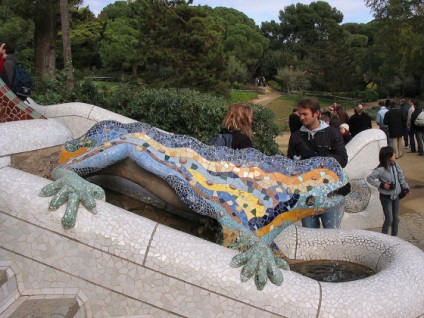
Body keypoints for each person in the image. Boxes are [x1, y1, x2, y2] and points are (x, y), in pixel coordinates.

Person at [287, 98, 348, 229]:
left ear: (316, 113)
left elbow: (343, 159)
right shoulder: (296, 136)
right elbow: (290, 163)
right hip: (306, 195)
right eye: (300, 114)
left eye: (305, 114)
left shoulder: (333, 133)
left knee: (332, 234)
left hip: (330, 192)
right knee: (310, 236)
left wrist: (318, 160)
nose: (302, 117)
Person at [366, 146, 410, 236]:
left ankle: (394, 237)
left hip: (396, 196)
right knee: (389, 219)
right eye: (393, 153)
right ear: (388, 156)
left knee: (395, 219)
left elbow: (400, 176)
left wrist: (405, 188)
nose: (395, 155)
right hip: (386, 197)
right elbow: (370, 178)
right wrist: (382, 185)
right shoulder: (381, 169)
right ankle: (384, 238)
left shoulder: (395, 165)